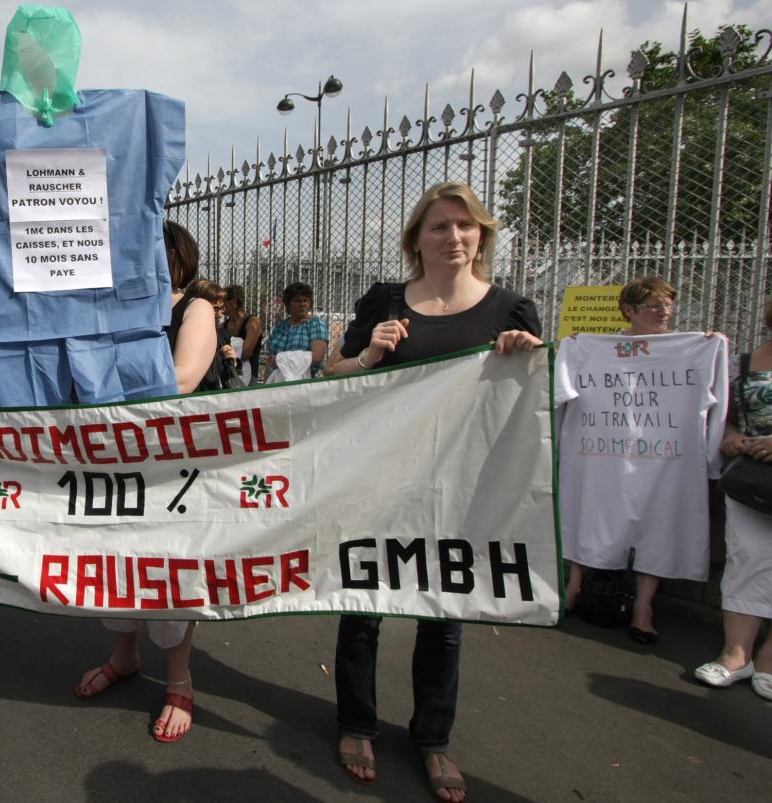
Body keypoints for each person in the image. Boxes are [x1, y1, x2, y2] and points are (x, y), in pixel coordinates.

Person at [323, 181, 542, 800]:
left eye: (465, 226)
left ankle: (433, 739)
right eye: (440, 227)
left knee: (444, 617)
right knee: (362, 606)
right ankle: (356, 724)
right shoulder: (386, 301)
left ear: (483, 235)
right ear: (416, 239)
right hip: (379, 482)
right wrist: (368, 355)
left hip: (464, 495)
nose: (454, 237)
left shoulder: (511, 310)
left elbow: (533, 409)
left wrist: (528, 355)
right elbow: (332, 378)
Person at [75, 221, 217, 743]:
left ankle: (179, 679)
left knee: (168, 571)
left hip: (171, 464)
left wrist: (101, 397)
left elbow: (182, 379)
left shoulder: (193, 307)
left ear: (177, 255)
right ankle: (124, 658)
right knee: (112, 563)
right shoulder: (110, 306)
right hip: (115, 459)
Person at [560, 277, 725, 644]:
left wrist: (711, 461)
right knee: (592, 511)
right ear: (629, 310)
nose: (663, 312)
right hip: (603, 451)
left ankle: (643, 607)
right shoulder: (590, 348)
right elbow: (562, 395)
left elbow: (717, 402)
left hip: (663, 456)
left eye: (667, 304)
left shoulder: (690, 349)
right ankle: (574, 585)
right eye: (653, 305)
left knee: (658, 522)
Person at [693, 299, 772, 700]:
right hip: (753, 480)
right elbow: (726, 417)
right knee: (746, 558)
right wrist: (730, 438)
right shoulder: (744, 361)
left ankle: (770, 660)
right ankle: (735, 655)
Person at [266, 282, 328, 380]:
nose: (303, 304)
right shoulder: (280, 326)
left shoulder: (315, 323)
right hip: (275, 382)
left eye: (306, 300)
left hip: (302, 382)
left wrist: (280, 360)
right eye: (298, 301)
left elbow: (317, 357)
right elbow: (269, 361)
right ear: (288, 303)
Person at [223, 284, 262, 385]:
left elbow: (245, 353)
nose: (220, 304)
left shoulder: (252, 322)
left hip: (248, 377)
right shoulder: (223, 325)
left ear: (234, 302)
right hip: (228, 375)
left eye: (223, 301)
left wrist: (228, 354)